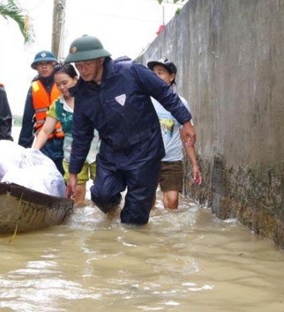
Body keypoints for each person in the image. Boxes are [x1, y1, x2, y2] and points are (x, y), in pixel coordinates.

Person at [65, 35, 197, 225]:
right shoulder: (83, 94)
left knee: (135, 218)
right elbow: (81, 135)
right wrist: (73, 172)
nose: (82, 70)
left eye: (87, 64)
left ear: (100, 60)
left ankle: (132, 238)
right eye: (78, 66)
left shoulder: (130, 71)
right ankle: (114, 214)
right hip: (111, 152)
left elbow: (164, 93)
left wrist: (186, 122)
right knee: (101, 195)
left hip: (144, 151)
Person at [31, 63, 99, 205]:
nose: (62, 87)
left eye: (65, 83)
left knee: (103, 192)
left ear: (75, 79)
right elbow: (45, 131)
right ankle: (79, 217)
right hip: (72, 153)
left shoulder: (92, 98)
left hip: (97, 150)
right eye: (58, 85)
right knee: (76, 193)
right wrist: (34, 151)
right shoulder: (58, 106)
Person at [147, 58, 203, 209]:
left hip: (172, 160)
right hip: (148, 160)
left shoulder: (180, 103)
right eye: (153, 73)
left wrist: (194, 165)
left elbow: (187, 137)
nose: (156, 76)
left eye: (160, 73)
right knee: (147, 203)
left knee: (172, 201)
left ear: (171, 77)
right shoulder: (145, 100)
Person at [19, 50, 64, 172]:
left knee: (66, 176)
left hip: (65, 140)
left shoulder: (63, 83)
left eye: (48, 63)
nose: (44, 67)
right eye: (40, 64)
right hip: (44, 143)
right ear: (36, 67)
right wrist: (23, 149)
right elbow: (27, 121)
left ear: (54, 64)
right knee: (46, 176)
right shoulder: (34, 88)